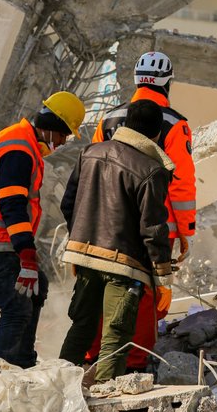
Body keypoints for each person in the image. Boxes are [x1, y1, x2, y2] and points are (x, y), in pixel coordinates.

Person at [88, 50, 196, 372]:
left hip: (105, 223)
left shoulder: (107, 118)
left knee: (104, 288)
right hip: (152, 225)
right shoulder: (176, 124)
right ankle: (134, 364)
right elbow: (181, 184)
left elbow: (95, 165)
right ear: (167, 84)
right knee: (147, 295)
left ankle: (95, 358)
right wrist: (186, 231)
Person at [59, 99, 174, 382]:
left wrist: (81, 241)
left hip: (84, 255)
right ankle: (104, 398)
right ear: (158, 134)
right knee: (116, 333)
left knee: (82, 325)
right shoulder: (151, 170)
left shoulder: (90, 152)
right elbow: (154, 229)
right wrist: (163, 278)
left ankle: (57, 386)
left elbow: (68, 204)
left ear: (125, 125)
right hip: (124, 265)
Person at [0, 92, 85, 366]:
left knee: (37, 286)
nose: (62, 142)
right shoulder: (19, 150)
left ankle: (23, 361)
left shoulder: (19, 139)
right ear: (54, 127)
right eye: (64, 135)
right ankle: (3, 374)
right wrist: (26, 254)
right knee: (17, 308)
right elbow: (13, 206)